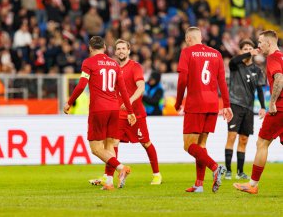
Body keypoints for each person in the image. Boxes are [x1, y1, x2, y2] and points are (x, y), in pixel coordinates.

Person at [64, 36, 136, 190]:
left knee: (96, 148)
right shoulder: (114, 64)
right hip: (114, 109)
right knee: (109, 145)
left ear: (90, 49)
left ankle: (120, 167)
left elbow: (81, 85)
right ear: (104, 47)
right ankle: (109, 182)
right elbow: (123, 90)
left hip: (99, 109)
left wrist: (70, 102)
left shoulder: (88, 63)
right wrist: (130, 111)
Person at [89, 39, 162, 187]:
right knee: (112, 143)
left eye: (123, 48)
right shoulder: (113, 67)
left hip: (136, 113)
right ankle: (108, 177)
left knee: (145, 142)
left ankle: (156, 174)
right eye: (118, 49)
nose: (121, 51)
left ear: (129, 51)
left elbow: (141, 88)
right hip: (117, 114)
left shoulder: (135, 67)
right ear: (115, 52)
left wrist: (128, 101)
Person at [175, 27, 233, 193]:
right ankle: (199, 185)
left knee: (188, 146)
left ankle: (215, 167)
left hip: (195, 103)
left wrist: (179, 101)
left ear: (188, 39)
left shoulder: (187, 52)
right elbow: (222, 81)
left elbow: (182, 81)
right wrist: (226, 105)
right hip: (213, 103)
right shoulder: (216, 54)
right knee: (201, 145)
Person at [234, 30, 283, 194]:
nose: (259, 45)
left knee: (262, 143)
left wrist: (273, 102)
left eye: (261, 42)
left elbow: (279, 79)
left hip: (280, 107)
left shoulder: (273, 58)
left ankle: (253, 185)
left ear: (269, 43)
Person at [224, 39, 266, 180]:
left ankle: (240, 171)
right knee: (231, 137)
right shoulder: (235, 65)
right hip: (235, 105)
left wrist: (263, 107)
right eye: (245, 49)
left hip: (248, 108)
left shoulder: (257, 70)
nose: (248, 50)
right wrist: (248, 53)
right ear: (240, 51)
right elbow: (233, 60)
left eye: (250, 48)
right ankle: (228, 170)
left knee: (243, 140)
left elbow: (260, 90)